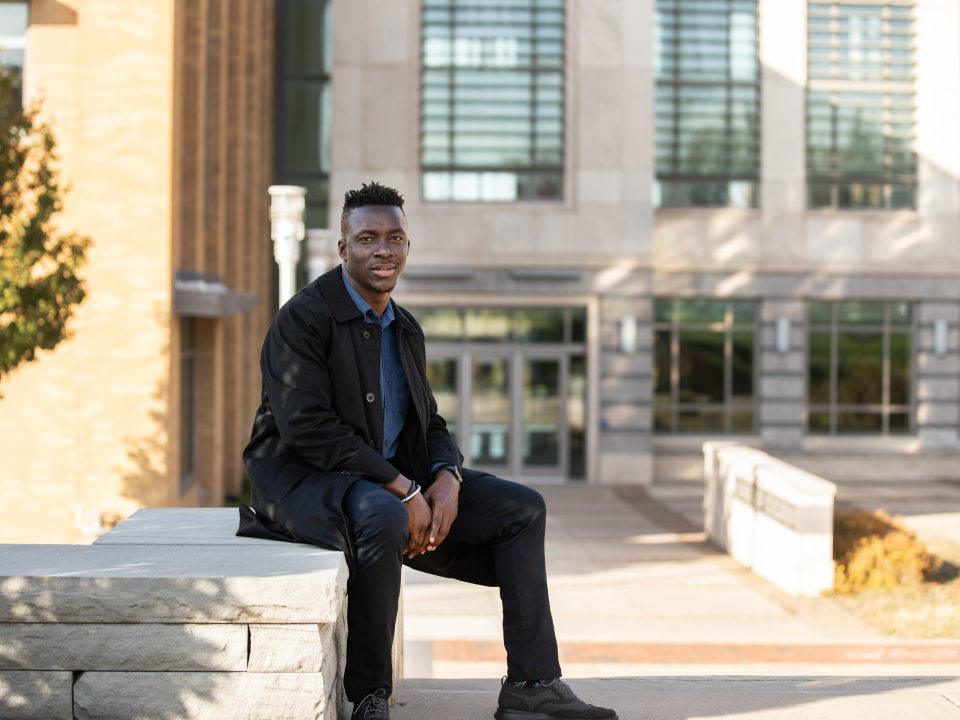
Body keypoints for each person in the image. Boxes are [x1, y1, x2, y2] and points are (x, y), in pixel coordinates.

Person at [239, 181, 618, 720]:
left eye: (395, 238)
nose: (383, 250)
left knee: (522, 508)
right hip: (303, 480)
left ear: (408, 246)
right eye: (367, 238)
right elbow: (308, 429)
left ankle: (531, 683)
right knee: (380, 514)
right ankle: (370, 695)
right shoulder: (304, 318)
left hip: (392, 480)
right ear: (343, 249)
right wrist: (403, 488)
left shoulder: (404, 328)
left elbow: (430, 421)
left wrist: (445, 477)